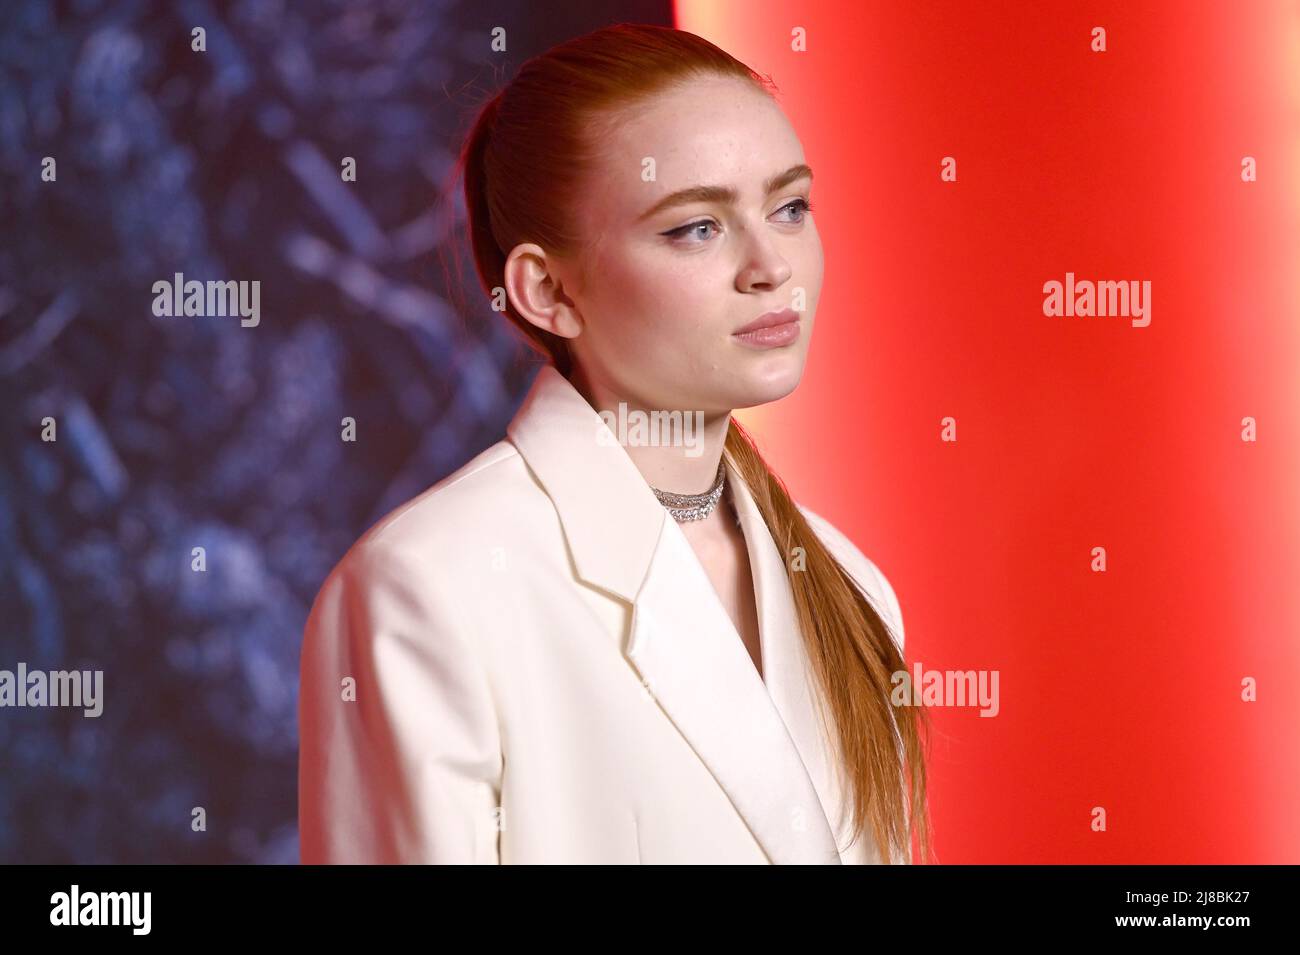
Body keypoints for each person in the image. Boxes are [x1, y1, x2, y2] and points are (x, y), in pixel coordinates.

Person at [298, 22, 930, 865]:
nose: (771, 265)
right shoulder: (426, 591)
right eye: (695, 228)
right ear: (548, 291)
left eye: (789, 207)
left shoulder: (852, 587)